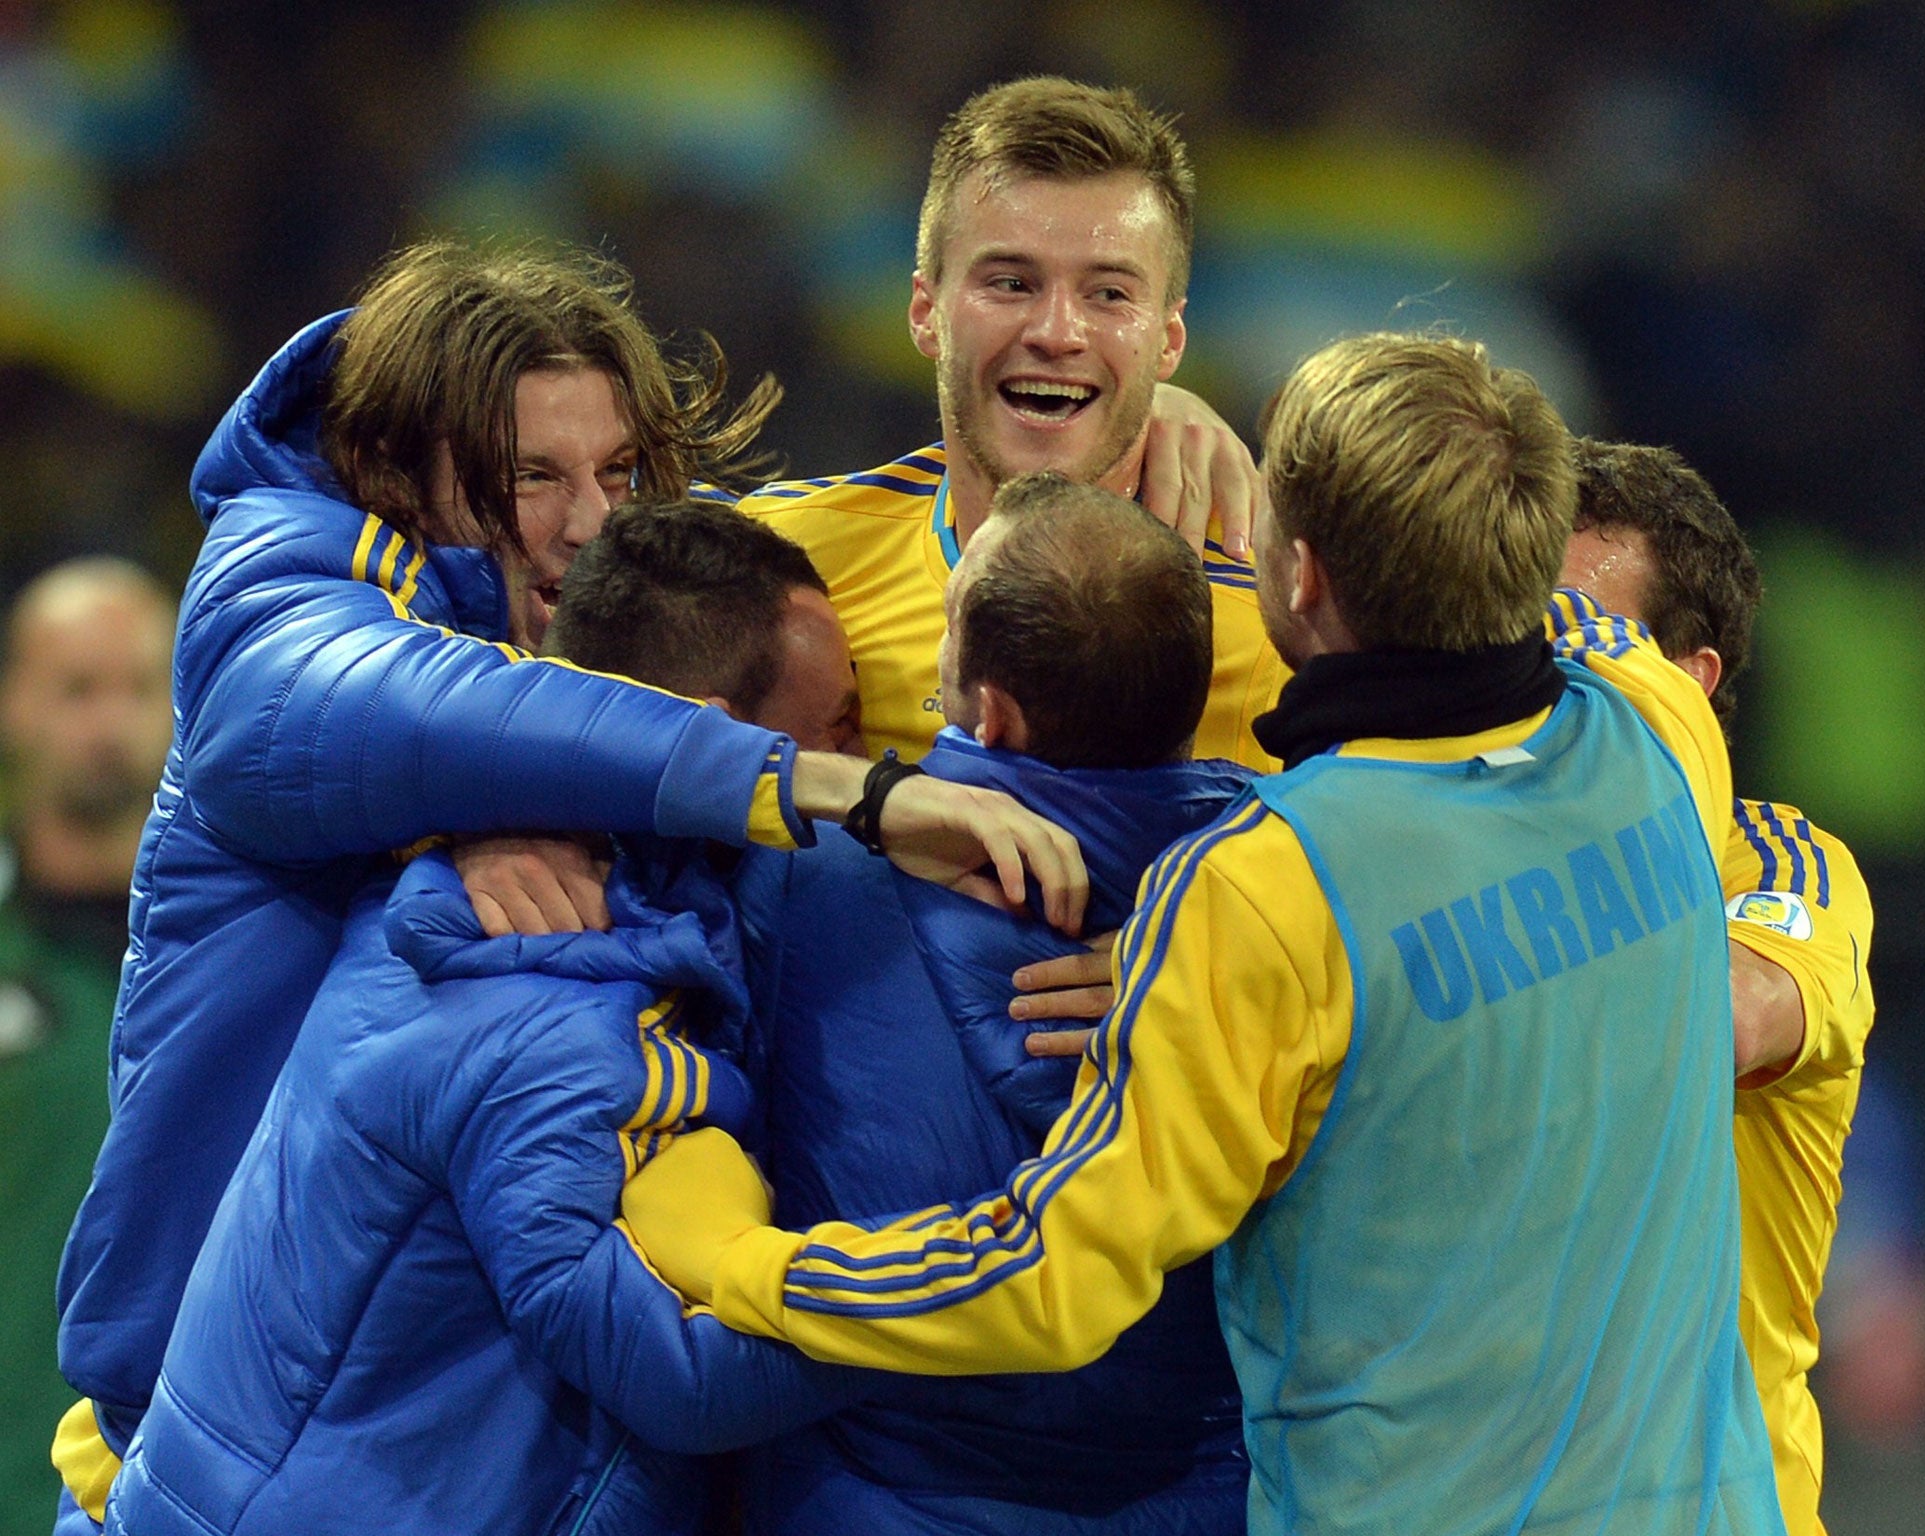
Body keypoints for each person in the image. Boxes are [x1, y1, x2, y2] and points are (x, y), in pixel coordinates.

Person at [620, 333, 1786, 1533]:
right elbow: (1567, 636)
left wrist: (743, 1263)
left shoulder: (1268, 885)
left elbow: (1046, 1282)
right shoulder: (1655, 733)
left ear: (1301, 578)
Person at [50, 240, 1083, 1532]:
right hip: (225, 1438)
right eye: (530, 475)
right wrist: (834, 788)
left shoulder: (578, 713)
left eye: (618, 471)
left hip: (429, 1444)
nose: (589, 521)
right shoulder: (283, 591)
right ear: (399, 470)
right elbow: (398, 719)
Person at [101, 501, 889, 1536]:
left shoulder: (568, 917)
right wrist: (990, 1287)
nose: (862, 755)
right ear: (712, 738)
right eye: (832, 730)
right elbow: (673, 1368)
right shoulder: (532, 991)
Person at [732, 472, 1251, 1534]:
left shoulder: (790, 881)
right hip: (1207, 1498)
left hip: (865, 1499)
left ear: (990, 712)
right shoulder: (1287, 904)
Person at [733, 77, 1286, 771]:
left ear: (1169, 340)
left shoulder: (1276, 621)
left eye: (1109, 294)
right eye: (1011, 283)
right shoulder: (783, 567)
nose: (1058, 333)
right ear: (925, 312)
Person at [1558, 438, 1877, 1536]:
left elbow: (1727, 1018)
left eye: (1570, 637)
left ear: (1681, 683)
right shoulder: (1401, 852)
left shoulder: (1783, 869)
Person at [0, 563, 172, 1536]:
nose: (108, 722)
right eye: (75, 688)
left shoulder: (250, 965)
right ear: (13, 704)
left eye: (137, 687)